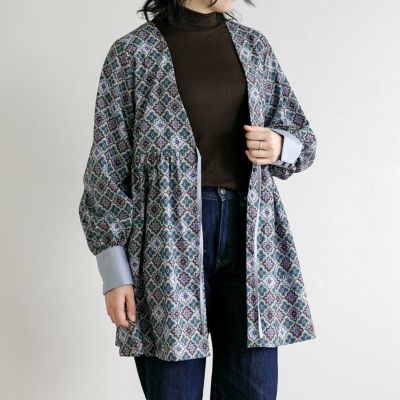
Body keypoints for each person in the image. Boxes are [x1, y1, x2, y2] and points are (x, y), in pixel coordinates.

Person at [78, 1, 317, 399]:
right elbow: (106, 167)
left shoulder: (254, 47)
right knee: (174, 388)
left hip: (251, 236)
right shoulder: (133, 53)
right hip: (166, 244)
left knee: (252, 389)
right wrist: (114, 273)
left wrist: (280, 145)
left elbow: (303, 140)